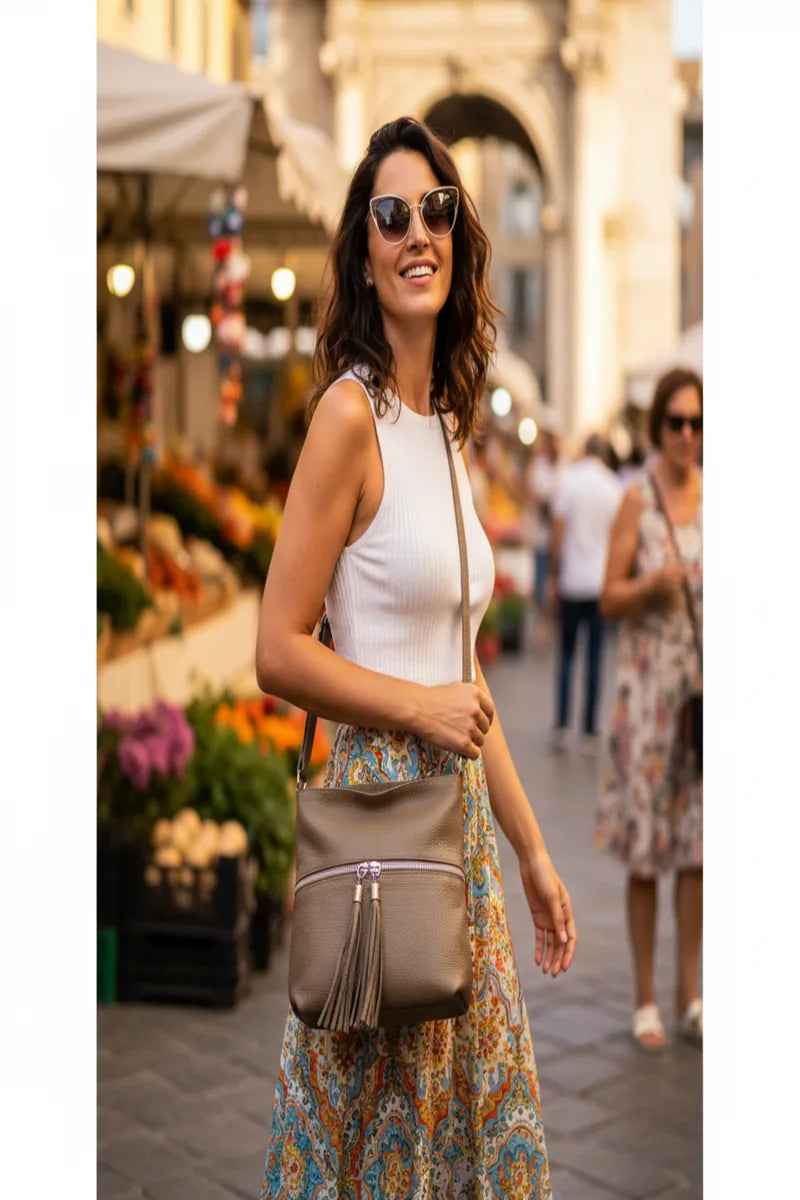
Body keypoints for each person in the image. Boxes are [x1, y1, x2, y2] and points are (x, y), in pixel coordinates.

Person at [254, 116, 576, 1199]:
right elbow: (275, 648)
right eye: (390, 216)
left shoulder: (442, 425)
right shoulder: (348, 416)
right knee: (376, 1144)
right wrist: (415, 712)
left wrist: (530, 852)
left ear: (458, 235)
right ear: (362, 250)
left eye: (436, 210)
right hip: (380, 830)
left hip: (461, 845)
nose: (416, 233)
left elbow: (465, 672)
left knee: (458, 1150)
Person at [595, 367, 703, 1051]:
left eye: (698, 423)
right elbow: (605, 596)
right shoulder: (636, 500)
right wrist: (649, 586)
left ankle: (690, 990)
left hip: (700, 695)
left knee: (698, 848)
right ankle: (643, 996)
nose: (688, 435)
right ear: (656, 426)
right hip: (646, 693)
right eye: (676, 422)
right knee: (645, 851)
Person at [547, 434, 622, 754]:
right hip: (599, 583)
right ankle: (589, 729)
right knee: (594, 656)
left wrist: (553, 575)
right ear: (604, 455)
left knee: (566, 654)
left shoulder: (570, 481)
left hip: (572, 581)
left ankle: (563, 724)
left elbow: (558, 532)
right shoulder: (613, 487)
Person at [527, 429, 563, 648]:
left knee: (556, 583)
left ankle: (553, 622)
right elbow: (533, 494)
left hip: (557, 540)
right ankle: (543, 623)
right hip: (542, 537)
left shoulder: (565, 469)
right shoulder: (538, 467)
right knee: (541, 584)